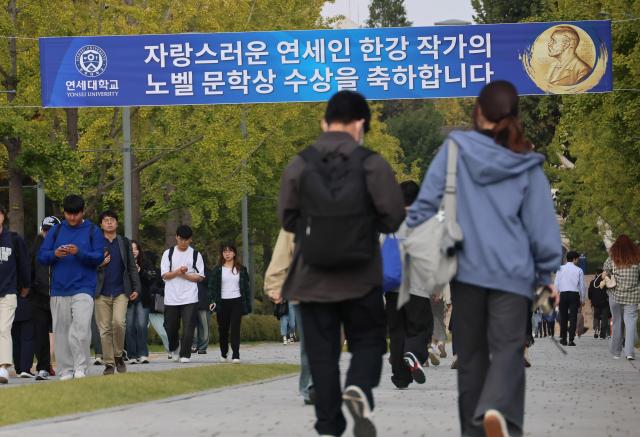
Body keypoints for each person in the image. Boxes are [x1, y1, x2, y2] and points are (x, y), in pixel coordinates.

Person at [406, 81, 562, 437]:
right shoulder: (527, 162)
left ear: (477, 113)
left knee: (471, 359)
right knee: (509, 350)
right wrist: (546, 272)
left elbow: (423, 207)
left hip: (467, 273)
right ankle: (500, 411)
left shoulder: (453, 152)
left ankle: (475, 427)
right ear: (515, 117)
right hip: (513, 275)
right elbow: (542, 227)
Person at [279, 90, 405, 437]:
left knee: (322, 355)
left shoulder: (300, 163)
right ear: (361, 124)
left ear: (325, 122)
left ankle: (328, 426)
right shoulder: (372, 164)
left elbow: (287, 218)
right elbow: (393, 216)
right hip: (360, 275)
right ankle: (360, 388)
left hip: (312, 276)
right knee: (368, 340)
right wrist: (364, 227)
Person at [38, 195, 104, 380]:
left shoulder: (92, 230)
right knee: (61, 332)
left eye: (76, 214)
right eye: (69, 214)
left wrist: (79, 252)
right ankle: (66, 370)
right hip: (59, 288)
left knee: (81, 328)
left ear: (82, 212)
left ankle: (80, 367)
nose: (72, 218)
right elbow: (42, 256)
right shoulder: (56, 231)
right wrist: (55, 254)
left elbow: (98, 257)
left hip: (84, 287)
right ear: (64, 212)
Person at [384, 180, 432, 389]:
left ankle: (400, 377)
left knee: (397, 331)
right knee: (420, 328)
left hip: (393, 285)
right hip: (418, 285)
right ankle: (413, 353)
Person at [265, 228, 314, 405]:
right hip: (303, 291)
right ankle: (311, 386)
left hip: (334, 290)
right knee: (310, 342)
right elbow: (281, 256)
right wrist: (274, 286)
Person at [94, 211, 141, 375]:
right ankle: (109, 363)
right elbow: (88, 265)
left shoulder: (124, 242)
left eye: (112, 220)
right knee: (104, 329)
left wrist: (136, 288)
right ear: (101, 225)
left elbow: (131, 267)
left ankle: (118, 355)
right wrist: (99, 264)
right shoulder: (96, 242)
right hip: (101, 292)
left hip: (121, 290)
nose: (109, 223)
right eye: (105, 220)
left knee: (119, 323)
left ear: (117, 223)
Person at [160, 225, 204, 363]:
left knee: (189, 327)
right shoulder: (168, 253)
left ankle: (185, 354)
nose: (183, 242)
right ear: (176, 238)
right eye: (181, 239)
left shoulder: (196, 255)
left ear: (190, 239)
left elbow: (200, 277)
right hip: (171, 298)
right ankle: (174, 347)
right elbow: (165, 275)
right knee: (170, 326)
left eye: (186, 240)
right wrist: (178, 271)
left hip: (189, 297)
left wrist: (184, 276)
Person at [0, 204, 30, 384]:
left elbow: (24, 263)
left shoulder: (13, 239)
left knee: (3, 329)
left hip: (9, 292)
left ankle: (2, 368)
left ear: (3, 216)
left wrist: (25, 285)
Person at [208, 243, 252, 363]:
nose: (227, 254)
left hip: (237, 301)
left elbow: (246, 288)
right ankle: (223, 352)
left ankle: (236, 354)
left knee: (235, 328)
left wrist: (247, 304)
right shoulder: (217, 270)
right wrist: (211, 301)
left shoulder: (241, 269)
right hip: (222, 302)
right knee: (223, 329)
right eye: (225, 251)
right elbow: (212, 287)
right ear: (222, 254)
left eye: (229, 251)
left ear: (234, 253)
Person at [30, 216, 61, 380]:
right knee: (40, 333)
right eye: (45, 230)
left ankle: (66, 365)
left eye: (52, 230)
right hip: (39, 296)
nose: (48, 233)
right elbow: (29, 268)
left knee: (62, 331)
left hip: (60, 294)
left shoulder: (64, 246)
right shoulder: (36, 246)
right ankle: (43, 367)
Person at [603, 235, 640, 360]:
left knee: (617, 321)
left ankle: (616, 352)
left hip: (615, 294)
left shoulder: (613, 257)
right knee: (630, 324)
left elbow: (605, 270)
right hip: (633, 295)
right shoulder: (637, 257)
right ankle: (629, 352)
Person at [126, 240, 155, 364]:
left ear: (139, 250)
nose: (133, 251)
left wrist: (141, 272)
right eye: (131, 249)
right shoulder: (124, 263)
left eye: (136, 248)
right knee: (129, 327)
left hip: (143, 299)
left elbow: (152, 278)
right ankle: (132, 355)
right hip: (128, 299)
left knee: (141, 326)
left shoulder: (146, 263)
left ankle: (143, 354)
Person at [554, 251, 586, 346]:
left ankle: (563, 339)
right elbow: (582, 286)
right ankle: (571, 340)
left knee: (563, 317)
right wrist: (583, 298)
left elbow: (556, 284)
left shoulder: (560, 269)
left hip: (563, 295)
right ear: (574, 259)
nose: (578, 261)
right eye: (577, 259)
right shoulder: (579, 270)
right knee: (573, 317)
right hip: (574, 295)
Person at [191, 258, 211, 355]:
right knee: (191, 325)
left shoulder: (207, 271)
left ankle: (202, 347)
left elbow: (210, 284)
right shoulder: (188, 270)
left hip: (203, 302)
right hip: (190, 301)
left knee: (204, 326)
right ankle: (193, 345)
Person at [588, 269, 609, 339]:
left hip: (595, 303)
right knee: (604, 318)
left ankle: (596, 329)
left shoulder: (592, 282)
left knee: (596, 316)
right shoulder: (606, 282)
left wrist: (591, 299)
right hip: (605, 302)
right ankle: (602, 334)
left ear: (596, 273)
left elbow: (589, 293)